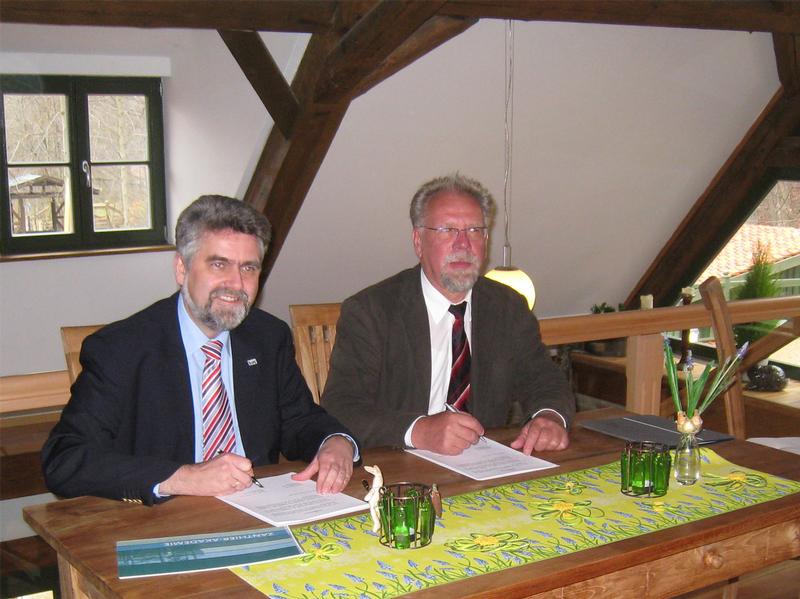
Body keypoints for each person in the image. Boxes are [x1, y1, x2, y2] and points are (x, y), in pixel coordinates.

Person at [42, 195, 359, 505]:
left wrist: (335, 441)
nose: (236, 283)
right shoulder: (122, 349)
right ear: (181, 269)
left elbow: (298, 420)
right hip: (164, 521)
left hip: (260, 511)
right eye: (219, 264)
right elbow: (65, 459)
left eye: (249, 268)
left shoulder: (267, 336)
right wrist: (182, 477)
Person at [323, 173, 575, 455]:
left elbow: (542, 377)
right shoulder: (371, 311)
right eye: (447, 231)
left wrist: (550, 416)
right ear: (418, 241)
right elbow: (341, 405)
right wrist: (418, 430)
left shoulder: (508, 307)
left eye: (474, 231)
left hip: (484, 466)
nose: (463, 245)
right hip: (398, 466)